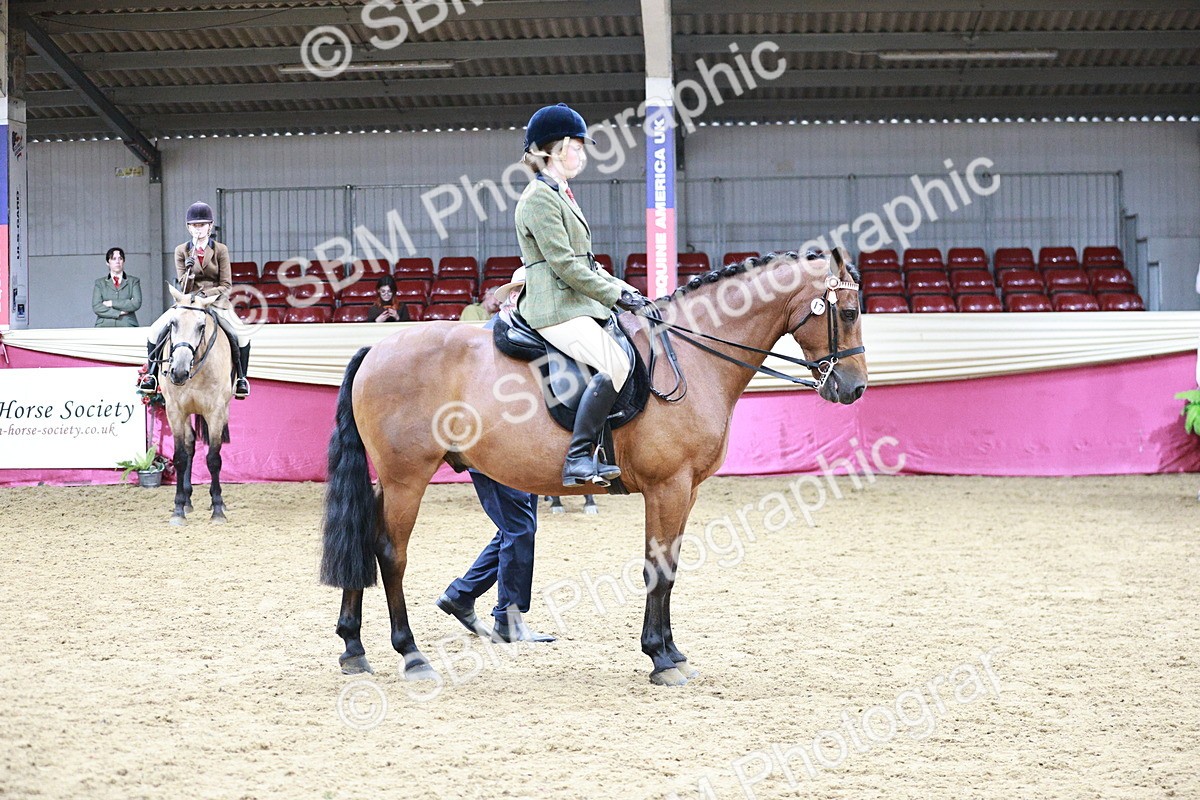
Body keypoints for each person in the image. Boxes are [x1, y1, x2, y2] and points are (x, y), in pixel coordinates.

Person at [514, 102, 649, 487]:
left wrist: (625, 289)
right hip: (555, 308)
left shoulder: (562, 193)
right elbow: (566, 266)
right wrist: (613, 297)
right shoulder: (539, 198)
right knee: (615, 364)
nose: (582, 153)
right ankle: (577, 458)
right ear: (552, 149)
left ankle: (603, 452)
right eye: (577, 145)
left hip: (575, 302)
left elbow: (586, 261)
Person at [436, 266, 555, 643]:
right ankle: (508, 618)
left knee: (515, 527)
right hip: (498, 443)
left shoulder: (512, 333)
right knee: (519, 527)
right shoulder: (505, 337)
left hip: (510, 443)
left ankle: (462, 594)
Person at [137, 202, 251, 399]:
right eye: (195, 225)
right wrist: (189, 274)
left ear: (210, 226)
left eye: (202, 225)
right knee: (155, 330)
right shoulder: (181, 251)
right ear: (188, 227)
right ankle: (152, 376)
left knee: (241, 335)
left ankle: (241, 379)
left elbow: (226, 284)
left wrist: (205, 297)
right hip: (187, 302)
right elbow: (184, 287)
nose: (198, 229)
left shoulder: (220, 250)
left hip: (215, 301)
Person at [92, 247, 141, 327]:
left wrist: (111, 303)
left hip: (127, 325)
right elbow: (96, 307)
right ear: (108, 262)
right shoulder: (99, 283)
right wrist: (119, 312)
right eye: (114, 259)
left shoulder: (133, 281)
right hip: (104, 326)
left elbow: (136, 303)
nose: (117, 261)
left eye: (120, 258)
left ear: (123, 261)